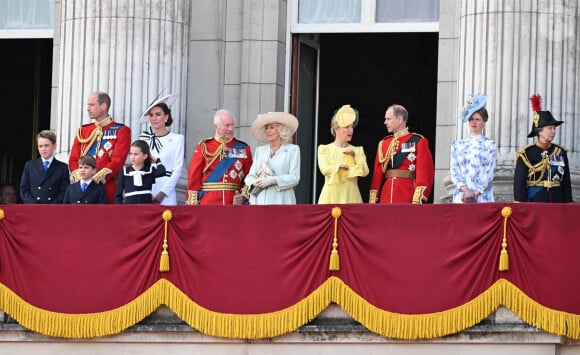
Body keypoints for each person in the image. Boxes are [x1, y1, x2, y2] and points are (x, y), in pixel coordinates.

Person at [69, 91, 131, 204]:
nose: (88, 108)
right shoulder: (83, 131)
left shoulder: (121, 130)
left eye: (91, 105)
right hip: (81, 190)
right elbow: (73, 159)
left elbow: (117, 161)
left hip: (106, 188)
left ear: (103, 106)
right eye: (88, 105)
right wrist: (81, 178)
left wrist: (95, 179)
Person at [369, 104, 434, 204]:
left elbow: (425, 173)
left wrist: (418, 198)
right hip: (386, 195)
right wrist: (373, 199)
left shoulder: (418, 141)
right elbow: (377, 176)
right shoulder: (384, 144)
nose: (385, 122)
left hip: (407, 194)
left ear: (399, 119)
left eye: (388, 119)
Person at [513, 94, 573, 203]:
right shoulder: (526, 153)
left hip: (557, 201)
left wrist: (568, 202)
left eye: (554, 128)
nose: (553, 131)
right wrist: (520, 205)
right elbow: (519, 184)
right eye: (550, 128)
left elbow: (566, 182)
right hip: (535, 201)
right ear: (539, 131)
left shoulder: (560, 152)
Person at [186, 109, 253, 205]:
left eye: (232, 125)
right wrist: (193, 203)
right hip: (208, 202)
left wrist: (243, 196)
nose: (231, 129)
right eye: (227, 125)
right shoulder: (204, 146)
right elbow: (194, 176)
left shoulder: (243, 148)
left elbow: (250, 176)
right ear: (216, 127)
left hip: (233, 203)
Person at [243, 112, 300, 205]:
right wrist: (254, 182)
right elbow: (250, 176)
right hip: (259, 201)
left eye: (271, 128)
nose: (267, 131)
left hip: (281, 201)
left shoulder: (293, 150)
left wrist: (274, 180)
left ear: (281, 130)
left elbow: (295, 177)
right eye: (266, 128)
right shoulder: (260, 150)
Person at [450, 94, 497, 203]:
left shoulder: (490, 145)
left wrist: (475, 193)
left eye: (477, 119)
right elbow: (454, 171)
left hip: (482, 196)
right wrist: (465, 190)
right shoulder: (457, 145)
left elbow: (489, 172)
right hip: (461, 196)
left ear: (484, 122)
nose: (473, 122)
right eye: (471, 119)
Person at [317, 104, 369, 204]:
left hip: (351, 198)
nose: (351, 130)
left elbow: (365, 172)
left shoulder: (357, 150)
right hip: (330, 198)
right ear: (336, 129)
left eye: (352, 127)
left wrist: (355, 157)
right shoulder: (324, 149)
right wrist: (338, 167)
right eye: (346, 127)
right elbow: (324, 169)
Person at [139, 94, 184, 205]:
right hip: (146, 190)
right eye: (151, 115)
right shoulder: (144, 139)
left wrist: (161, 195)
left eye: (158, 114)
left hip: (166, 192)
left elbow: (177, 170)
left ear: (166, 117)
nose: (154, 118)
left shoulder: (177, 139)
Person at [20, 130, 70, 204]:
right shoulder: (30, 166)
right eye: (40, 146)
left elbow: (64, 191)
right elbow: (24, 190)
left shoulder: (62, 167)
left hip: (53, 209)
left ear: (54, 146)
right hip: (33, 208)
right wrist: (34, 205)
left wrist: (51, 206)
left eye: (46, 145)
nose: (43, 149)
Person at [115, 140, 166, 204]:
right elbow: (118, 195)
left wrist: (157, 161)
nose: (132, 157)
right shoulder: (124, 171)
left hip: (146, 206)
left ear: (145, 156)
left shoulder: (149, 170)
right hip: (129, 206)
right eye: (131, 154)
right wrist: (120, 210)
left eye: (136, 154)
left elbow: (162, 172)